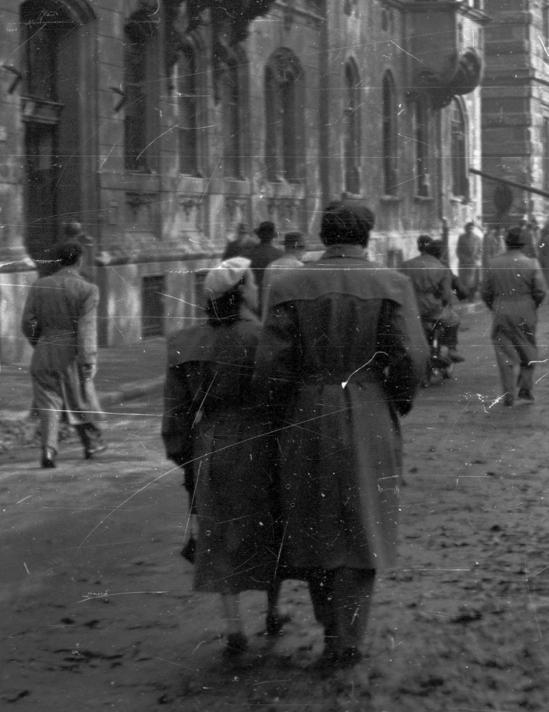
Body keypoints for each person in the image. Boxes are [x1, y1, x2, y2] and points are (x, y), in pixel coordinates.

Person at [253, 201, 425, 671]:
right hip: (368, 408)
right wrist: (395, 402)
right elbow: (411, 359)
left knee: (314, 522)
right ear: (367, 234)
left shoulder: (289, 285)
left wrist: (277, 414)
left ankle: (332, 630)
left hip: (304, 411)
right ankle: (351, 634)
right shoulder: (392, 284)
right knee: (365, 523)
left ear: (324, 235)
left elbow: (271, 366)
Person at [162, 260, 281, 656]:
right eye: (252, 283)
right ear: (243, 291)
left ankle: (234, 628)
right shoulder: (266, 338)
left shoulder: (184, 342)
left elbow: (175, 416)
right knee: (271, 524)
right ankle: (272, 610)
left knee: (218, 532)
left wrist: (188, 462)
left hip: (211, 444)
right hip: (264, 439)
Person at [22, 242, 106, 468]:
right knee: (79, 400)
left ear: (58, 261)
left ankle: (48, 452)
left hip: (44, 352)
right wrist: (88, 359)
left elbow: (27, 322)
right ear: (79, 261)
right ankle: (91, 445)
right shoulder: (87, 290)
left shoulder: (40, 285)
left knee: (49, 404)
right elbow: (86, 329)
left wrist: (40, 342)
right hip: (72, 354)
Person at [480, 227, 549, 405]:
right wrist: (532, 305)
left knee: (504, 352)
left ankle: (508, 393)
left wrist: (494, 306)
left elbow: (485, 291)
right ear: (523, 244)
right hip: (525, 308)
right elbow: (540, 291)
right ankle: (526, 387)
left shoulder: (493, 263)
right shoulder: (531, 263)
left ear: (506, 242)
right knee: (527, 347)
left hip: (501, 308)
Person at [400, 235, 464, 383]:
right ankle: (451, 349)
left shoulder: (406, 264)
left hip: (409, 307)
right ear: (440, 253)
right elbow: (446, 296)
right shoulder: (442, 268)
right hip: (432, 308)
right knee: (454, 319)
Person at [455, 221, 483, 301]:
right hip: (464, 263)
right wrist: (464, 259)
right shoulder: (462, 238)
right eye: (468, 228)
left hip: (473, 262)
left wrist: (476, 258)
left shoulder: (477, 238)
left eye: (472, 228)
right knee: (464, 280)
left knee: (474, 280)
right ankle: (464, 295)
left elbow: (480, 250)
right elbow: (458, 250)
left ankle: (472, 295)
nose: (470, 230)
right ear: (465, 229)